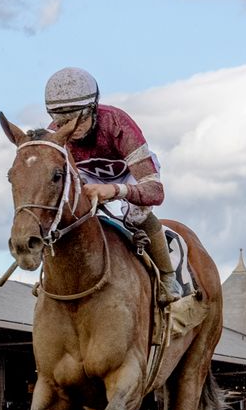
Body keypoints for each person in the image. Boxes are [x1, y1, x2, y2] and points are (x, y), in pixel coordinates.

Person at [44, 67, 182, 305]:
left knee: (137, 214)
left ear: (94, 108)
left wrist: (117, 191)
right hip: (88, 176)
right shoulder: (53, 136)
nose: (73, 128)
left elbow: (155, 193)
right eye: (63, 121)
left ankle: (168, 277)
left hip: (130, 173)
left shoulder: (117, 123)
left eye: (81, 118)